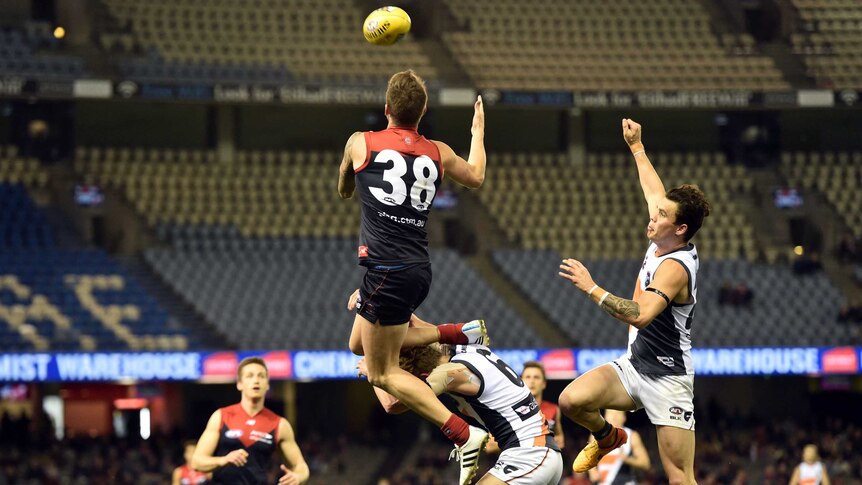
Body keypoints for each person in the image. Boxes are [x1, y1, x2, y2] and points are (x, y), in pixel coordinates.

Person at [338, 69, 490, 468]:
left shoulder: (360, 143)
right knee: (357, 344)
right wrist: (477, 133)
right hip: (418, 269)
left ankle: (462, 432)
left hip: (385, 269)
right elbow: (476, 176)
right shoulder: (438, 151)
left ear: (386, 109)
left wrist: (352, 183)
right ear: (421, 114)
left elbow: (343, 187)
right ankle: (454, 333)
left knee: (381, 373)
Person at [557, 118, 711, 485]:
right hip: (633, 367)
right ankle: (608, 435)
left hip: (668, 377)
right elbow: (652, 189)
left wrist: (592, 287)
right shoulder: (663, 236)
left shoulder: (675, 268)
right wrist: (637, 146)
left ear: (681, 230)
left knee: (679, 476)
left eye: (662, 216)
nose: (652, 216)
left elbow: (640, 315)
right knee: (570, 401)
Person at [359, 338, 562, 484]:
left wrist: (373, 367)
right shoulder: (469, 348)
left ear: (423, 375)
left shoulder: (449, 374)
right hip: (539, 454)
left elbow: (392, 403)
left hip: (530, 455)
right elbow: (417, 330)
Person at [192, 357, 310, 485]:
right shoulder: (221, 416)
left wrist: (298, 476)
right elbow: (197, 462)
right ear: (239, 384)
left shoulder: (279, 424)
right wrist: (223, 460)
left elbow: (301, 467)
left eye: (261, 376)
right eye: (250, 376)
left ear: (267, 385)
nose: (256, 380)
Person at [485, 361, 565, 455]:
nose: (532, 381)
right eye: (528, 377)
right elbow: (490, 447)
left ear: (544, 384)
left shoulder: (554, 409)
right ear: (520, 382)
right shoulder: (507, 409)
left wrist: (556, 442)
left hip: (545, 464)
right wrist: (530, 442)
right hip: (516, 463)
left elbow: (560, 439)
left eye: (536, 377)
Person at [587, 410, 650, 485]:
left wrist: (627, 459)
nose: (614, 417)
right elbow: (588, 458)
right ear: (604, 417)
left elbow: (646, 464)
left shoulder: (632, 436)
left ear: (624, 417)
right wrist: (592, 472)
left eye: (618, 413)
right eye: (611, 413)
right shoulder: (595, 436)